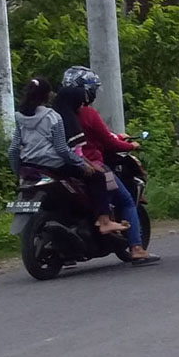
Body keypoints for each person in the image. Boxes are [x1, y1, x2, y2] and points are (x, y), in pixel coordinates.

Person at [58, 67, 160, 265]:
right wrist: (131, 145)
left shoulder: (56, 114)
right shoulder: (87, 113)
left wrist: (117, 137)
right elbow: (109, 142)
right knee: (126, 200)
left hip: (65, 166)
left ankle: (67, 255)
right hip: (92, 164)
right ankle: (137, 249)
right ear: (86, 91)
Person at [8, 78, 126, 234]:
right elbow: (62, 149)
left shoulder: (19, 117)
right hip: (54, 165)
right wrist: (82, 164)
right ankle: (104, 221)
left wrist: (18, 171)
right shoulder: (52, 116)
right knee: (98, 177)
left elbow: (13, 149)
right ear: (46, 95)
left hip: (30, 167)